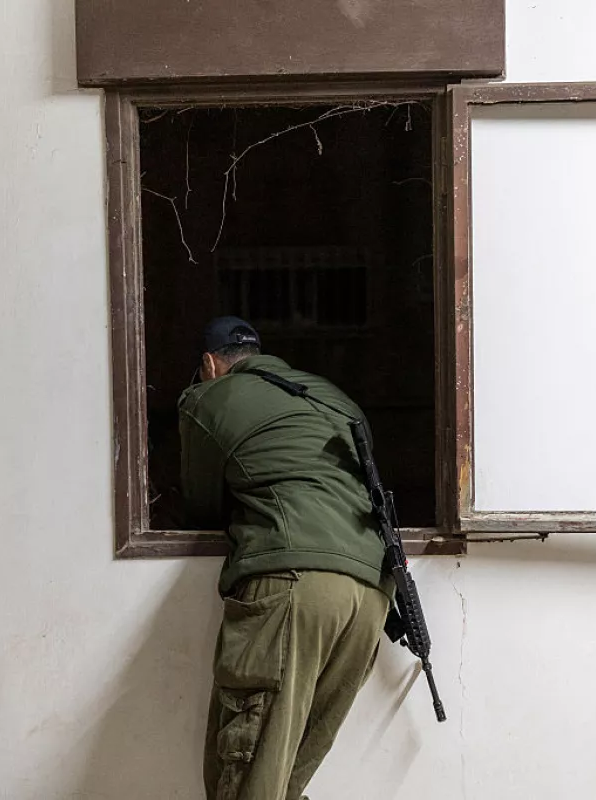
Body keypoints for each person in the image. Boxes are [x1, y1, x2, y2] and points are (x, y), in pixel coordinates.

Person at [180, 316, 391, 800]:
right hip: (370, 594)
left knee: (248, 776)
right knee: (285, 781)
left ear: (210, 364)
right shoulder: (331, 397)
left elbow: (200, 505)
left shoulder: (209, 397)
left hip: (296, 585)